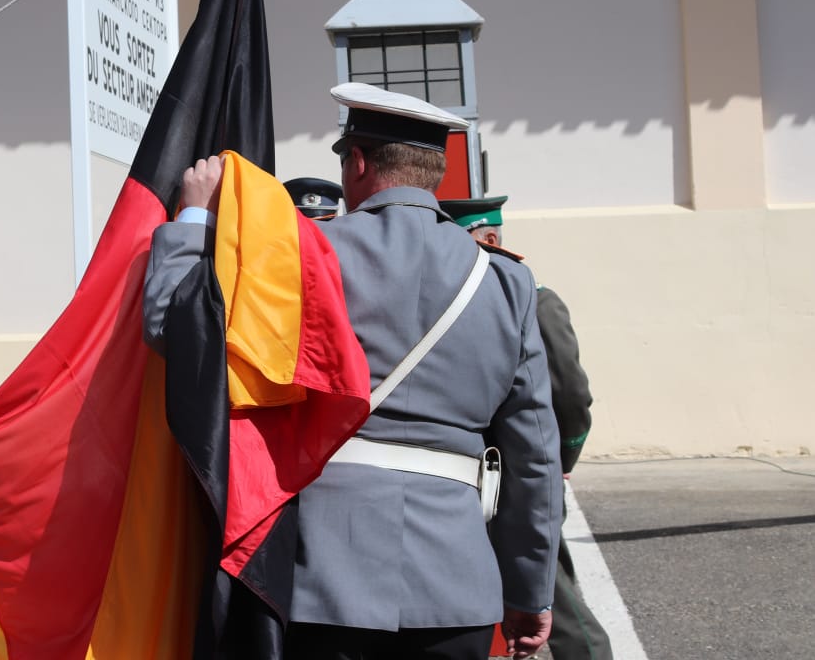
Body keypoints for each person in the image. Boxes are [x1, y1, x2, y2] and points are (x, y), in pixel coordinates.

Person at [144, 82, 561, 660]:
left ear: (358, 162)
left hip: (324, 580)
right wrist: (529, 592)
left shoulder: (302, 254)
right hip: (457, 585)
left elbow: (174, 330)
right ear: (434, 171)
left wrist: (193, 218)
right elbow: (535, 456)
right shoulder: (506, 284)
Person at [441, 196, 610, 660]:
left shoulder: (534, 300)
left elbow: (571, 397)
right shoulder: (459, 296)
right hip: (466, 477)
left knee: (555, 598)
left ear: (489, 240)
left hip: (518, 479)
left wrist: (561, 461)